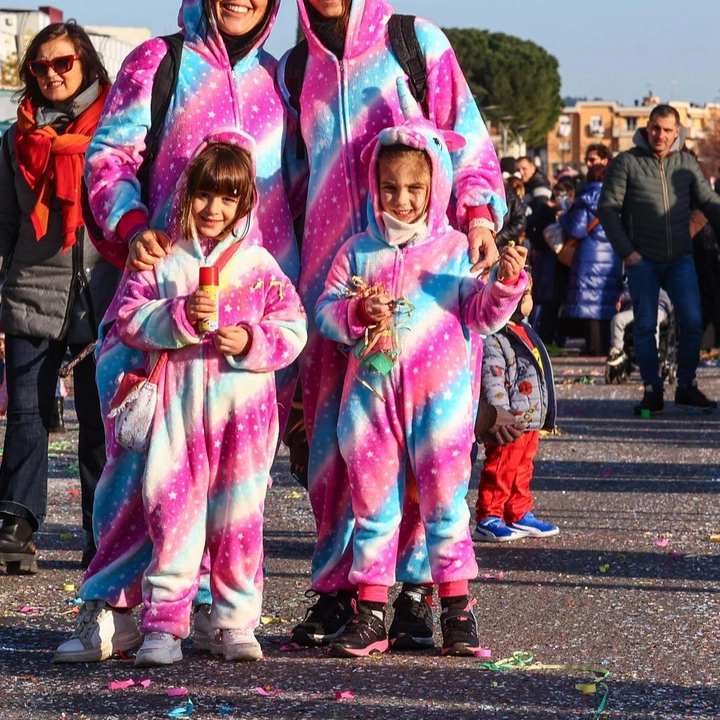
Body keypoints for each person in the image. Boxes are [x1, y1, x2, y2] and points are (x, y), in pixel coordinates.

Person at [64, 0, 297, 664]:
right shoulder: (158, 61)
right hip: (156, 304)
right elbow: (108, 159)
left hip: (246, 335)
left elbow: (310, 190)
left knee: (230, 488)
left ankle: (209, 614)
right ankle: (116, 608)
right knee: (137, 474)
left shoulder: (283, 80)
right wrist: (136, 226)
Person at [279, 0, 505, 650]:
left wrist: (479, 215)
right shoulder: (297, 68)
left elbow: (464, 133)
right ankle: (340, 590)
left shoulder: (413, 41)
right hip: (337, 281)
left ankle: (412, 591)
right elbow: (284, 180)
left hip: (426, 284)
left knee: (427, 455)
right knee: (339, 450)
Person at [313, 108, 528, 658]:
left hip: (441, 404)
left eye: (414, 187)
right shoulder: (358, 249)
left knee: (445, 503)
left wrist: (505, 286)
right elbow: (325, 314)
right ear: (374, 186)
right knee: (373, 506)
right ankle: (372, 612)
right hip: (370, 405)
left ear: (435, 186)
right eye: (390, 187)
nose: (402, 198)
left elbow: (482, 315)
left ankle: (457, 610)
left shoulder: (455, 249)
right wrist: (358, 310)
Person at [110, 135, 306, 666]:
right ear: (187, 193)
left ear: (245, 204)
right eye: (204, 194)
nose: (213, 209)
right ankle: (164, 626)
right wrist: (174, 316)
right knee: (172, 518)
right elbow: (128, 318)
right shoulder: (162, 258)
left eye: (228, 199)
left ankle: (236, 623)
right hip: (176, 420)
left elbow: (294, 327)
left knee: (239, 520)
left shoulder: (260, 265)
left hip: (245, 419)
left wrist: (253, 341)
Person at [0, 21, 119, 576]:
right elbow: (2, 218)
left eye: (63, 64)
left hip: (103, 291)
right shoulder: (15, 137)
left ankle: (103, 533)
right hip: (32, 290)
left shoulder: (119, 124)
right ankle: (17, 527)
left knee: (101, 422)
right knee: (26, 414)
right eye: (40, 66)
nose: (51, 74)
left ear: (86, 65)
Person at [596, 104, 720, 415]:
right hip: (642, 260)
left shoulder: (686, 164)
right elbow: (607, 209)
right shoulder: (627, 162)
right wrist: (628, 251)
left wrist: (688, 231)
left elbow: (707, 201)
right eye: (655, 129)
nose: (660, 135)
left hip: (680, 258)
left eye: (667, 130)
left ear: (677, 132)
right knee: (645, 325)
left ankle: (686, 385)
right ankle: (652, 389)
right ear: (646, 127)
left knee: (692, 320)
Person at [474, 277, 559, 543]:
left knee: (523, 467)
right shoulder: (496, 335)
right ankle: (489, 514)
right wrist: (498, 411)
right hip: (509, 417)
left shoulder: (525, 330)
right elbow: (492, 376)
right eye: (527, 294)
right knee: (501, 466)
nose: (530, 301)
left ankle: (518, 510)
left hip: (530, 415)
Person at [560, 143, 620, 356]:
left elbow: (577, 230)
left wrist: (564, 217)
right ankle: (607, 345)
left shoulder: (586, 199)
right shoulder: (619, 196)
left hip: (589, 255)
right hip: (612, 254)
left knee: (591, 303)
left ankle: (594, 347)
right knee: (605, 299)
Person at [527, 180, 573, 346]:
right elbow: (530, 226)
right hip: (550, 263)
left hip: (549, 262)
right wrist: (541, 244)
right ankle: (544, 340)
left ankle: (545, 339)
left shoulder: (547, 210)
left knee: (548, 302)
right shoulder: (547, 211)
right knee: (549, 303)